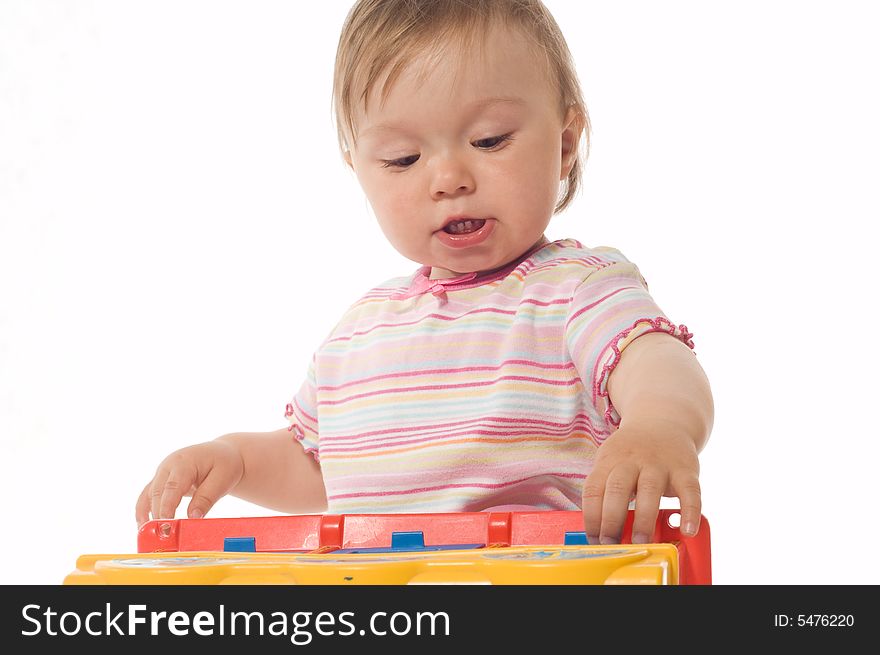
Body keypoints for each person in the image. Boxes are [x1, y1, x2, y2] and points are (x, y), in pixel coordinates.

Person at [135, 0, 713, 546]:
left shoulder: (576, 290)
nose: (448, 178)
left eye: (489, 140)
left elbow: (656, 362)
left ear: (564, 145)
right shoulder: (359, 331)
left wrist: (660, 424)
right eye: (402, 159)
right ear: (360, 170)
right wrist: (234, 460)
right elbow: (318, 467)